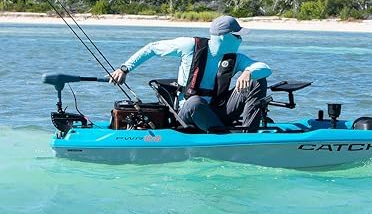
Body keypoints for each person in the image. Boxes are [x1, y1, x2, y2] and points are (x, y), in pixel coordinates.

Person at [109, 15, 272, 133]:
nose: (240, 39)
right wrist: (124, 69)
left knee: (257, 80)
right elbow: (152, 48)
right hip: (189, 111)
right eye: (237, 35)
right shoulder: (189, 46)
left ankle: (249, 134)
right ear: (223, 37)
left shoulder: (235, 58)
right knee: (195, 102)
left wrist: (248, 72)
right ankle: (222, 135)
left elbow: (265, 68)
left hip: (220, 109)